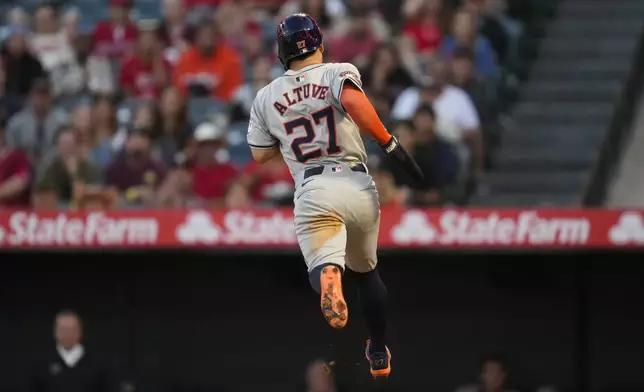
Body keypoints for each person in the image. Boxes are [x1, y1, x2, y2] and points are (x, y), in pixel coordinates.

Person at [246, 13, 423, 379]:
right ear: (319, 45)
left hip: (314, 188)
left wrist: (290, 133)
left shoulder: (266, 96)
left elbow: (259, 155)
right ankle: (377, 348)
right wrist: (388, 142)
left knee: (324, 264)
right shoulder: (336, 70)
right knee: (369, 274)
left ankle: (329, 273)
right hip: (357, 183)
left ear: (282, 53)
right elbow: (354, 103)